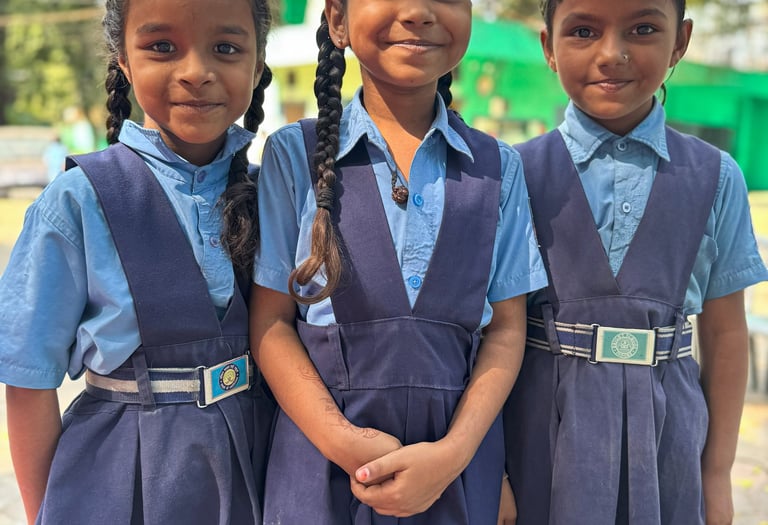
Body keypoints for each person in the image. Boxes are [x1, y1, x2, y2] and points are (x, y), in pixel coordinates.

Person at [249, 0, 547, 523]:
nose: (417, 12)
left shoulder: (500, 171)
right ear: (337, 20)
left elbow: (505, 330)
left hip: (455, 475)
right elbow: (272, 323)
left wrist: (455, 455)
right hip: (322, 472)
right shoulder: (293, 156)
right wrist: (345, 444)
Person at [0, 0, 274, 523]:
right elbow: (29, 378)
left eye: (226, 48)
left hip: (257, 460)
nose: (196, 72)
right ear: (123, 60)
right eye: (161, 47)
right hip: (121, 475)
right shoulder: (78, 202)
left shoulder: (273, 194)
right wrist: (46, 513)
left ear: (257, 64)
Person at [501, 0, 768, 524]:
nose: (612, 53)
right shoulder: (513, 173)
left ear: (680, 41)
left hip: (669, 436)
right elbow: (491, 332)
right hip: (540, 430)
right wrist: (494, 474)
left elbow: (725, 334)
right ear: (548, 47)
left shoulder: (716, 176)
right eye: (582, 30)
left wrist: (716, 475)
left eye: (643, 28)